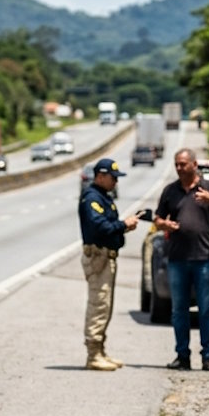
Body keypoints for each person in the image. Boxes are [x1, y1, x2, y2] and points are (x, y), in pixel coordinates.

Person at [154, 148, 209, 371]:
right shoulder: (170, 191)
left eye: (183, 164)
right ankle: (182, 355)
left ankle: (208, 356)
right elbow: (158, 218)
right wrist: (163, 224)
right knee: (179, 309)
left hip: (204, 258)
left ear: (194, 165)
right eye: (177, 164)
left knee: (206, 308)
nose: (179, 168)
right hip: (177, 258)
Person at [78, 157, 140, 371]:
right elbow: (99, 226)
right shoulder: (91, 198)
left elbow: (108, 225)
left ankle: (101, 350)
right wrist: (123, 224)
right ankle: (93, 354)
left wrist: (123, 227)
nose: (116, 182)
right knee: (98, 304)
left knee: (105, 306)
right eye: (113, 178)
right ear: (100, 176)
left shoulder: (103, 197)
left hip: (106, 257)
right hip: (98, 257)